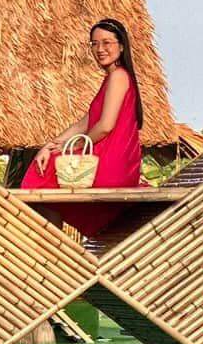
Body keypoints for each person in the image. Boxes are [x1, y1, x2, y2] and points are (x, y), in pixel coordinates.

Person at [22, 18, 144, 236]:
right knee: (46, 168)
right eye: (94, 44)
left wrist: (68, 146)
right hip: (110, 160)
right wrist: (51, 146)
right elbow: (86, 122)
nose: (100, 49)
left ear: (122, 45)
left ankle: (53, 246)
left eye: (107, 43)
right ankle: (55, 245)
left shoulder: (118, 76)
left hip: (111, 164)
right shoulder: (112, 78)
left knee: (41, 174)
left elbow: (105, 126)